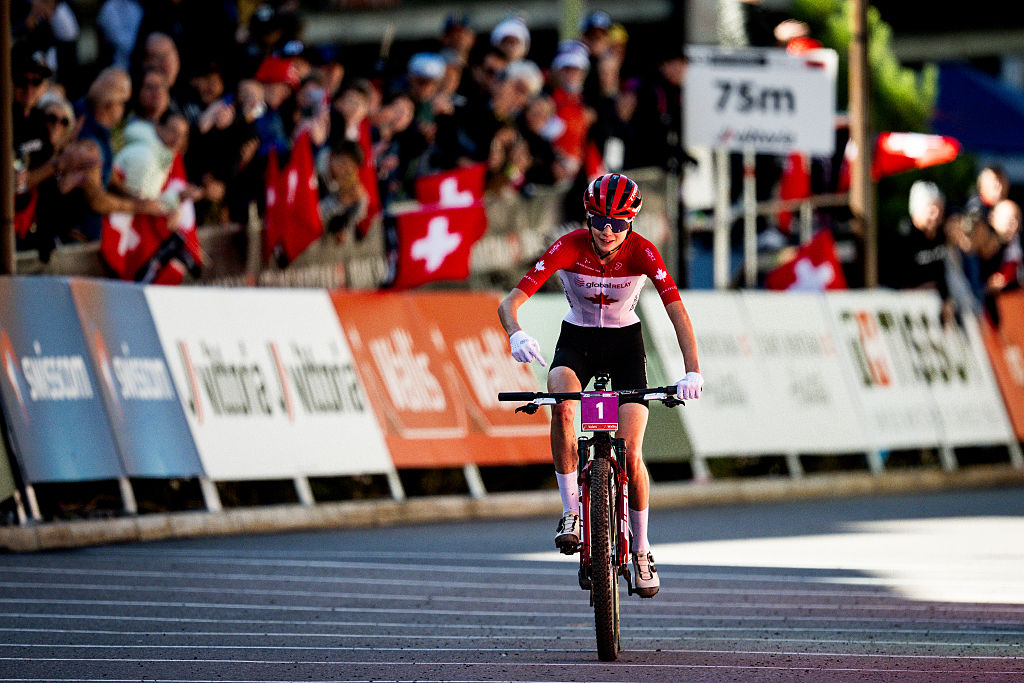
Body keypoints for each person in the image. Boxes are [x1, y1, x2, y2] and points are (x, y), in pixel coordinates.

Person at [497, 173, 703, 598]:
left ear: (632, 222)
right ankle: (571, 511)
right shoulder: (569, 245)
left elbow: (678, 314)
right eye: (598, 220)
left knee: (631, 453)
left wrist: (692, 370)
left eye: (618, 223)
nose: (607, 232)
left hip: (625, 346)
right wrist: (516, 331)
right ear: (587, 216)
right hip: (578, 343)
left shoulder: (644, 252)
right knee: (562, 400)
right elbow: (510, 301)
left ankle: (643, 548)